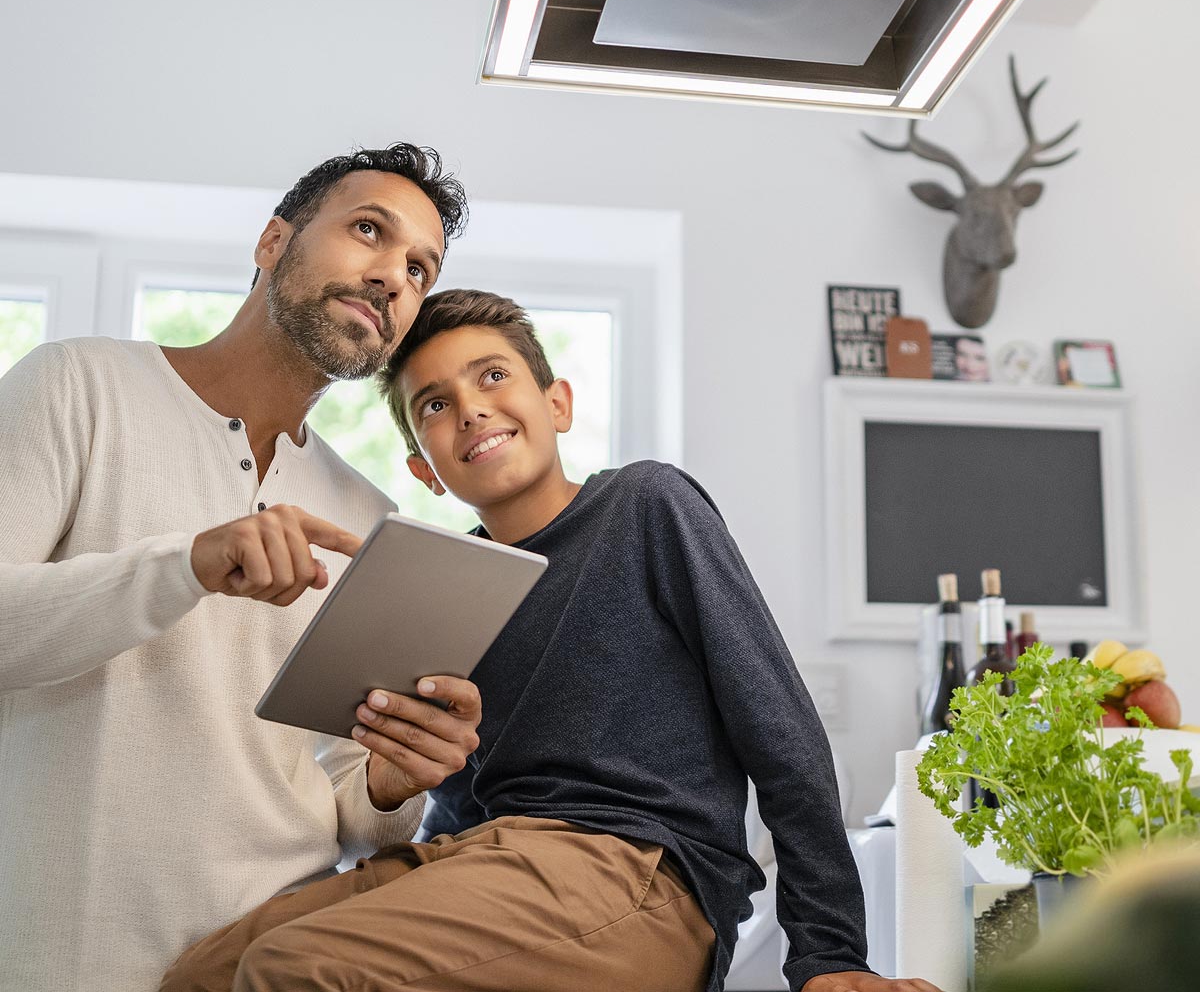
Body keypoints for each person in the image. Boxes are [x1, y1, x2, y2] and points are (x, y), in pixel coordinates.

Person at [162, 289, 943, 992]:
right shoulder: (444, 586)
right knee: (200, 976)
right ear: (424, 470)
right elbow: (458, 802)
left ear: (557, 403)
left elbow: (781, 732)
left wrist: (829, 953)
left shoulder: (646, 504)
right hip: (487, 858)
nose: (471, 409)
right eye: (435, 404)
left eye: (492, 376)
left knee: (291, 969)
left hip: (637, 870)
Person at [0, 145, 483, 992]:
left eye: (419, 269)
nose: (392, 277)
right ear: (272, 242)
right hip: (61, 948)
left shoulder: (372, 521)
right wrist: (186, 565)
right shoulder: (79, 384)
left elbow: (349, 802)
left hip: (266, 958)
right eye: (368, 231)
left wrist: (393, 779)